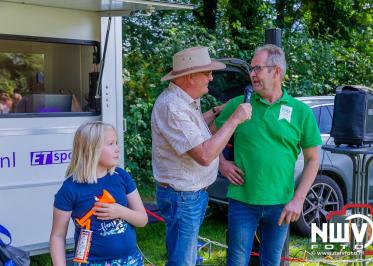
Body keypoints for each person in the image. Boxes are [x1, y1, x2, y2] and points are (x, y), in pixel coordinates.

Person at [213, 44, 322, 266]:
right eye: (251, 69)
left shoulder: (301, 112)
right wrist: (221, 163)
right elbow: (210, 133)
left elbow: (313, 160)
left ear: (276, 72)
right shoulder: (239, 105)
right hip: (242, 201)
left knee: (272, 262)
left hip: (282, 204)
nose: (251, 74)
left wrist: (298, 199)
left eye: (257, 68)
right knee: (236, 262)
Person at [151, 46, 252, 265]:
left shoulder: (183, 100)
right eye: (206, 72)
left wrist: (217, 111)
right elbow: (204, 155)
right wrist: (234, 119)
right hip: (184, 198)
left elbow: (194, 132)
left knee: (185, 257)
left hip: (187, 196)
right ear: (189, 77)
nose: (211, 77)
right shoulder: (173, 107)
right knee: (183, 261)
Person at [50, 121, 148, 266]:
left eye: (116, 143)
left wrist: (120, 211)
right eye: (111, 143)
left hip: (131, 260)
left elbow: (142, 220)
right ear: (92, 149)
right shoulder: (70, 189)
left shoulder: (121, 177)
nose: (117, 148)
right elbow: (57, 236)